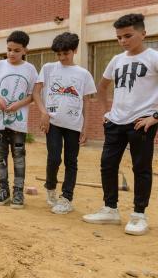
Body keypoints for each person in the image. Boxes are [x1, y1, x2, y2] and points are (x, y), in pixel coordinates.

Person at [82, 14, 158, 235]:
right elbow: (102, 86)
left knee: (141, 168)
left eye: (128, 35)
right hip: (116, 121)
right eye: (119, 37)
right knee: (107, 164)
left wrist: (155, 117)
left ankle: (138, 215)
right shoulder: (117, 60)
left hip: (141, 122)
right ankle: (110, 209)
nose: (123, 41)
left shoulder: (153, 57)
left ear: (143, 34)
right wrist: (107, 111)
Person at [32, 32, 96, 214]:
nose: (61, 58)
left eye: (65, 53)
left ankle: (67, 197)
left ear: (74, 50)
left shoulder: (83, 74)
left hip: (74, 125)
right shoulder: (48, 68)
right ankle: (50, 187)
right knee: (54, 158)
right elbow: (36, 92)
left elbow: (86, 101)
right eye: (58, 54)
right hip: (52, 123)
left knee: (71, 161)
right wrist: (43, 113)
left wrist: (85, 127)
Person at [0, 30, 37, 209]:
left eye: (16, 50)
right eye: (9, 49)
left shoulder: (30, 69)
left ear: (25, 50)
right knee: (0, 155)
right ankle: (3, 190)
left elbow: (33, 96)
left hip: (18, 122)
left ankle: (18, 192)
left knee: (19, 157)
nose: (12, 53)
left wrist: (18, 104)